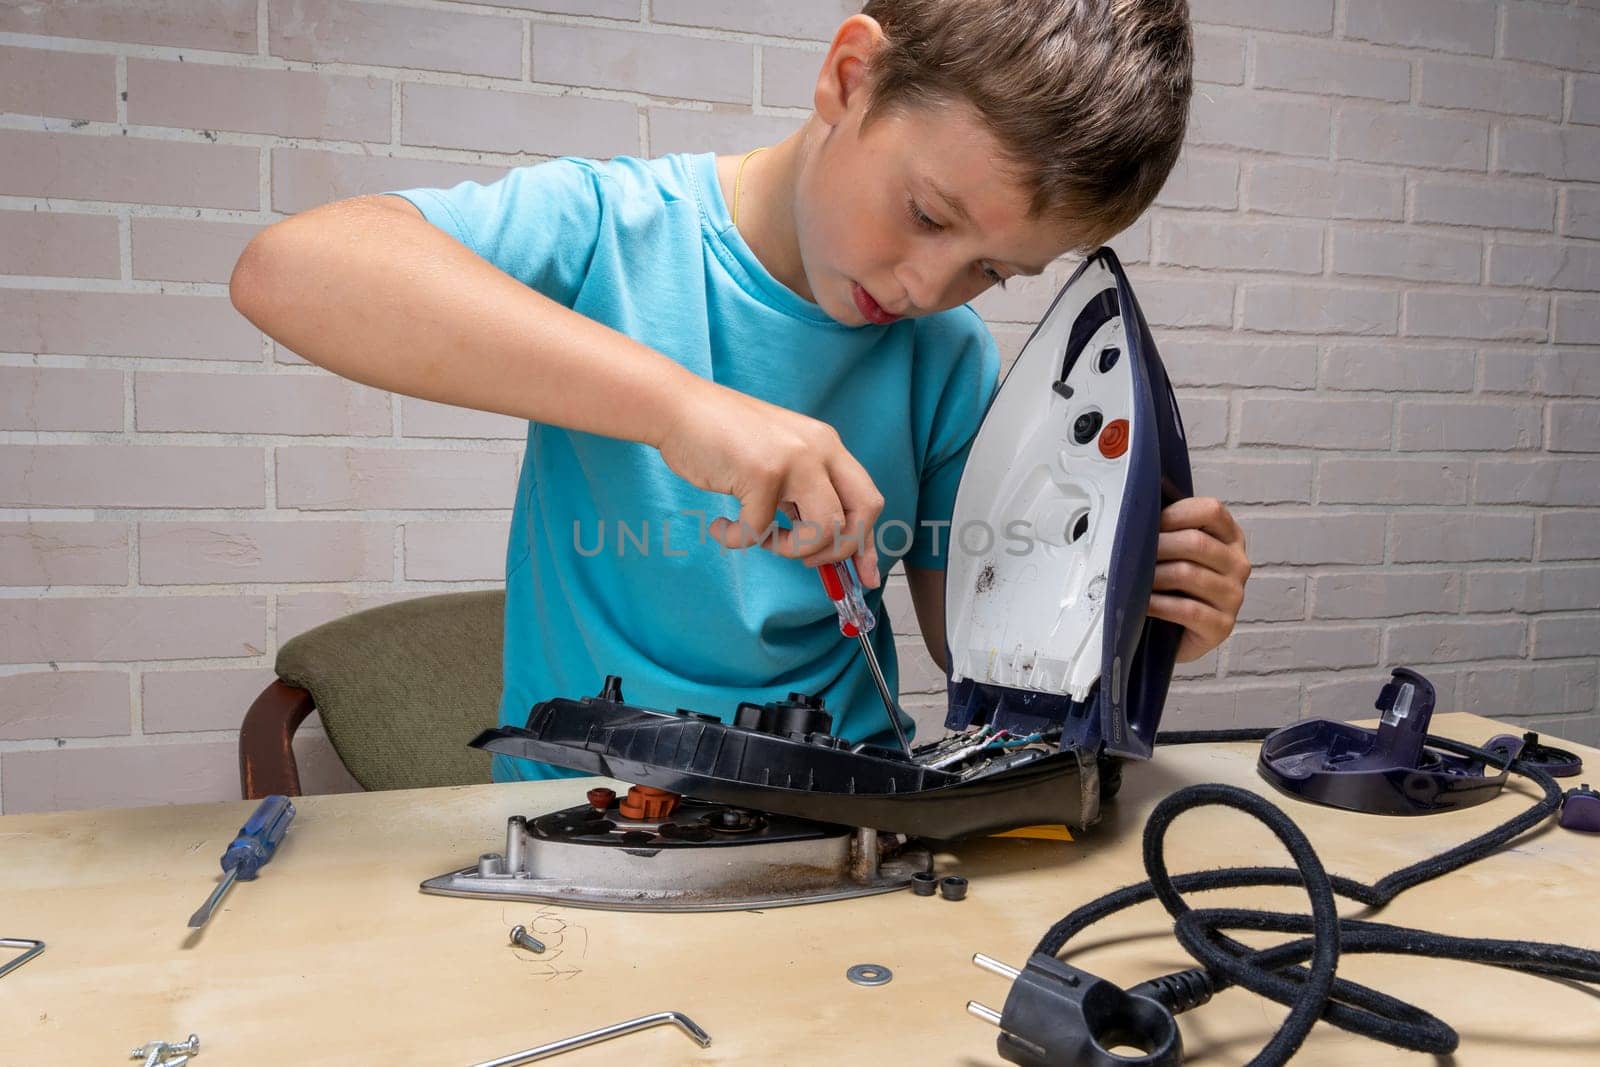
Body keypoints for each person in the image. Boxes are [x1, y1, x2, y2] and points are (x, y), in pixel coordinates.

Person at [230, 0, 1250, 782]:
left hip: (854, 801)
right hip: (579, 813)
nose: (925, 290)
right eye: (928, 215)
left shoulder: (948, 355)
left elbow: (967, 637)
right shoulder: (610, 233)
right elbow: (292, 269)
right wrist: (681, 407)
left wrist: (1129, 606)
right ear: (851, 77)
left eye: (993, 271)